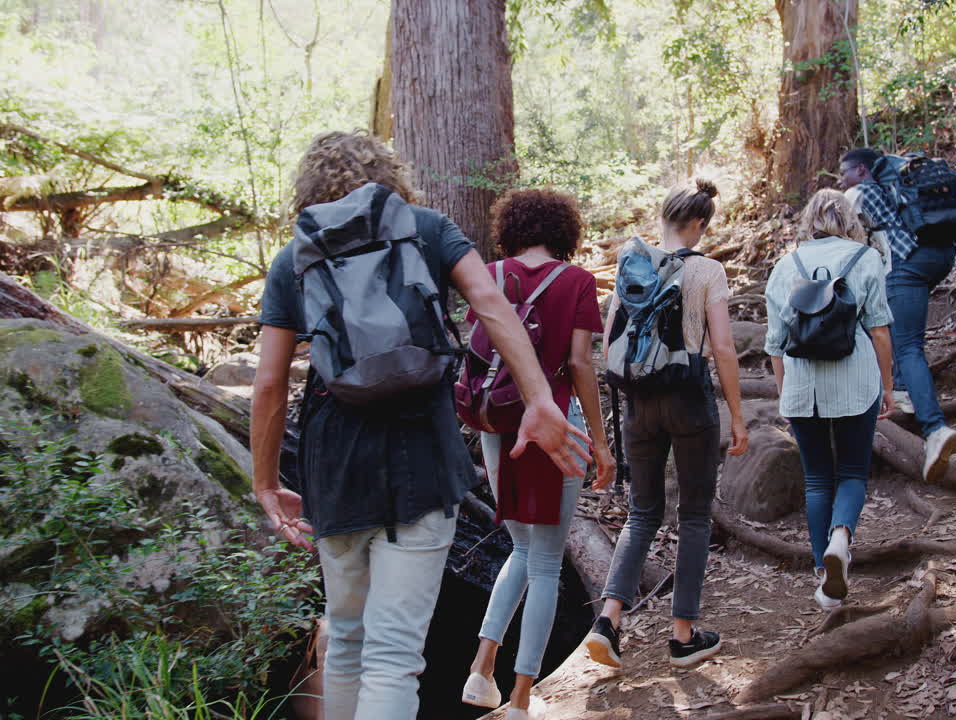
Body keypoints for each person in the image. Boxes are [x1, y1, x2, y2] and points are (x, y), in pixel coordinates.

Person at [250, 131, 590, 720]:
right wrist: (539, 397)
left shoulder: (295, 256)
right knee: (394, 655)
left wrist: (263, 480)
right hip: (422, 458)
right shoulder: (428, 229)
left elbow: (270, 383)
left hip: (336, 465)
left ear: (308, 190)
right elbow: (491, 304)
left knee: (348, 642)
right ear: (391, 177)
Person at [459, 189, 615, 719]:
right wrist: (598, 439)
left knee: (521, 550)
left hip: (497, 419)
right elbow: (580, 364)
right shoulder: (576, 281)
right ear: (563, 231)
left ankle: (482, 669)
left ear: (511, 227)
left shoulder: (490, 273)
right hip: (555, 421)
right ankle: (522, 698)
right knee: (545, 562)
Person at [583, 178, 749, 670]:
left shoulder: (634, 263)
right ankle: (682, 635)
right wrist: (737, 414)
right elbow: (721, 347)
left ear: (664, 219)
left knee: (641, 513)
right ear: (699, 224)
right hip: (688, 399)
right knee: (694, 514)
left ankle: (608, 621)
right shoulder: (708, 271)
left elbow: (611, 340)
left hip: (637, 403)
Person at [764, 188, 896, 609]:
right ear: (849, 219)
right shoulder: (867, 258)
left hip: (803, 385)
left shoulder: (786, 265)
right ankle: (842, 537)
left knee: (817, 478)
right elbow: (879, 330)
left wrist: (786, 395)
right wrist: (888, 386)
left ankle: (824, 578)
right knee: (854, 472)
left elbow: (775, 344)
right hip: (855, 382)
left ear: (809, 220)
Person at [839, 148, 956, 483]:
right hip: (937, 258)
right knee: (894, 330)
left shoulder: (857, 192)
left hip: (904, 265)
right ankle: (904, 393)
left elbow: (839, 239)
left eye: (844, 171)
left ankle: (935, 429)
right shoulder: (896, 187)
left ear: (861, 170)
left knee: (908, 347)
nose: (841, 179)